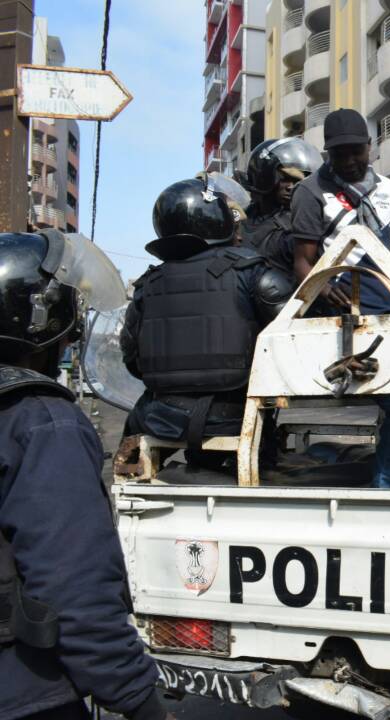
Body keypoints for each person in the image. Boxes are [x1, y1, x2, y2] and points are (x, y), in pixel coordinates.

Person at [0, 230, 172, 720]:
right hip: (25, 692)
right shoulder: (40, 422)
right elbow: (75, 592)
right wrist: (138, 698)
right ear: (39, 318)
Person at [290, 108, 390, 489]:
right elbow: (302, 262)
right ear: (326, 154)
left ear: (370, 148)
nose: (349, 161)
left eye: (356, 151)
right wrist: (323, 288)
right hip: (347, 313)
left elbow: (381, 252)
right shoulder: (309, 193)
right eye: (339, 154)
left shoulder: (386, 189)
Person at [121, 177, 292, 471]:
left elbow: (133, 361)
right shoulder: (252, 271)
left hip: (161, 418)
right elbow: (290, 347)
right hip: (238, 417)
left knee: (133, 429)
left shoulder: (147, 285)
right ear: (220, 220)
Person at [242, 137, 323, 281]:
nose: (291, 186)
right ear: (264, 177)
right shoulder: (242, 220)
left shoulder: (305, 219)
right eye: (285, 178)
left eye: (298, 181)